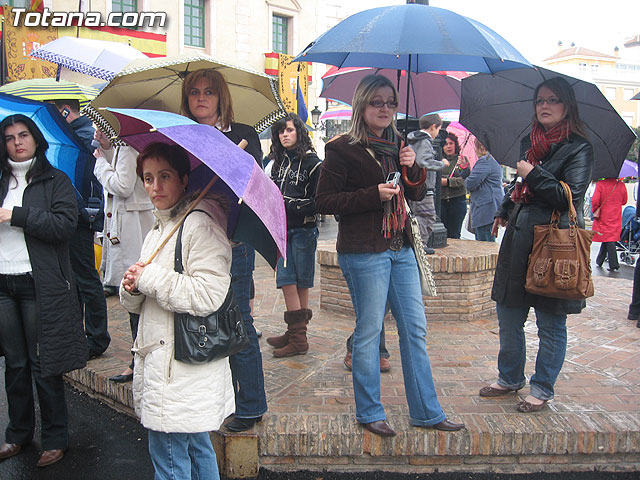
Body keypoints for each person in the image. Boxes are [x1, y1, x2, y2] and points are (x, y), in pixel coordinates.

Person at [315, 74, 464, 436]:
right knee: (369, 332)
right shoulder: (342, 148)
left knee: (415, 329)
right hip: (365, 251)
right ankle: (369, 412)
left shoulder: (399, 143)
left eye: (390, 103)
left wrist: (412, 166)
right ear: (362, 104)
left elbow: (413, 195)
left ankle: (426, 412)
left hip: (401, 248)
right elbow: (324, 201)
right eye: (376, 102)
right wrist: (371, 195)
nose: (384, 109)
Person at [120, 142, 234, 480]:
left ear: (184, 179)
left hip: (179, 371)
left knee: (171, 462)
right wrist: (132, 287)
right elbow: (144, 299)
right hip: (164, 363)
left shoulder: (200, 226)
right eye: (148, 178)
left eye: (164, 176)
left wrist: (149, 277)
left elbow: (209, 294)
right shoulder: (159, 228)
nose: (155, 188)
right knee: (197, 450)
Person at [481, 77, 593, 412]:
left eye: (553, 100)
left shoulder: (579, 148)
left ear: (567, 106)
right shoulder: (530, 145)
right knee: (509, 314)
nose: (544, 106)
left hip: (554, 243)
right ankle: (510, 377)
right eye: (539, 100)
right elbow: (518, 188)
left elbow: (567, 195)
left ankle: (542, 388)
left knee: (550, 322)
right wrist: (504, 208)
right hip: (519, 238)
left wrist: (532, 173)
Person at [181, 68, 267, 432]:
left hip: (234, 241)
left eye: (209, 92)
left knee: (237, 323)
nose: (201, 98)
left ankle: (250, 405)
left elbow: (254, 188)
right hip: (196, 241)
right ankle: (218, 399)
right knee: (203, 321)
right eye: (195, 93)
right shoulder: (182, 137)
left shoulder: (244, 135)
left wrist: (230, 158)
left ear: (221, 97)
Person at [0, 114, 87, 467]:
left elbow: (65, 226)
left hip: (39, 284)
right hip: (3, 283)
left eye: (23, 135)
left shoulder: (55, 180)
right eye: (9, 137)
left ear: (36, 139)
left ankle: (55, 437)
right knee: (15, 365)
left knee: (43, 363)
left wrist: (15, 215)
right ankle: (17, 434)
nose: (17, 142)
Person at [94, 131, 154, 382]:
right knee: (134, 296)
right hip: (128, 227)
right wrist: (108, 150)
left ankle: (138, 359)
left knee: (134, 295)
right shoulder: (123, 146)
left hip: (132, 231)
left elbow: (122, 184)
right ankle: (137, 358)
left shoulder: (129, 146)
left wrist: (99, 162)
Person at [52, 99, 110, 359]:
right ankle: (77, 335)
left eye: (57, 111)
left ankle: (97, 338)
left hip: (81, 213)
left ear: (65, 110)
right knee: (73, 278)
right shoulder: (74, 134)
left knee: (85, 277)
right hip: (69, 213)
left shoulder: (85, 135)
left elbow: (94, 169)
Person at [265, 113, 321, 357]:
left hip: (303, 230)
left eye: (289, 130)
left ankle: (298, 337)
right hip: (281, 230)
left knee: (302, 282)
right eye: (280, 131)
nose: (284, 135)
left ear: (299, 132)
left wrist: (289, 204)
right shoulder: (276, 163)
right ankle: (295, 334)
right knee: (287, 279)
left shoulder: (313, 164)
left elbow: (319, 203)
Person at [406, 113, 447, 252]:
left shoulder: (413, 139)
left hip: (415, 185)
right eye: (438, 129)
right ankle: (420, 244)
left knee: (417, 216)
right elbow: (424, 161)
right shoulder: (425, 141)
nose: (437, 133)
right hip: (424, 186)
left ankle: (415, 243)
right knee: (428, 216)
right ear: (433, 127)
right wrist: (441, 163)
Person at [460, 140, 504, 242]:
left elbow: (471, 183)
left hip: (485, 207)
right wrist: (466, 169)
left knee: (484, 242)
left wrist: (465, 178)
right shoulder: (493, 160)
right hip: (491, 206)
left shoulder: (485, 160)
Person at [592, 177, 627, 271]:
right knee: (609, 237)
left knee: (608, 238)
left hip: (603, 216)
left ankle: (614, 264)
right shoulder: (621, 185)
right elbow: (624, 201)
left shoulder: (600, 184)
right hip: (615, 215)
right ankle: (600, 260)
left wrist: (595, 211)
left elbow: (595, 201)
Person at [440, 133, 469, 238]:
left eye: (451, 143)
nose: (448, 146)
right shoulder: (439, 160)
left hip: (457, 201)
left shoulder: (461, 160)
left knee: (454, 234)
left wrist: (448, 182)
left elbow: (463, 179)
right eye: (446, 144)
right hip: (441, 201)